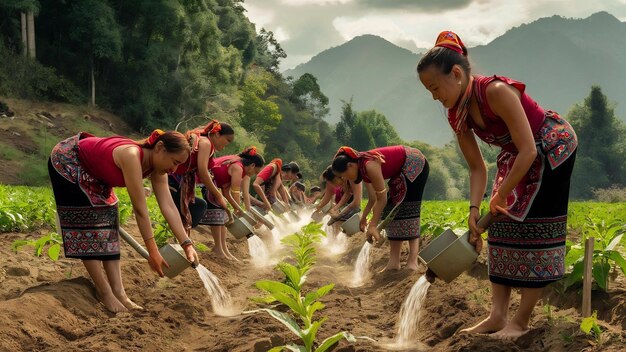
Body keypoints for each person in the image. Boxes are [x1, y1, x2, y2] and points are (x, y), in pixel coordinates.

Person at [417, 31, 578, 339]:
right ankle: (497, 315)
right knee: (501, 224)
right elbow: (477, 167)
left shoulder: (496, 92)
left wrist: (502, 193)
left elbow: (530, 149)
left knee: (534, 227)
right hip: (518, 154)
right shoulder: (457, 114)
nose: (435, 96)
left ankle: (520, 321)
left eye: (436, 87)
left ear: (457, 73)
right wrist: (475, 209)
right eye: (429, 91)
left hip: (551, 145)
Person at [48, 130, 200, 313]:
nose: (174, 170)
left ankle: (120, 294)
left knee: (110, 217)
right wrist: (152, 251)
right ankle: (105, 292)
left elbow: (168, 206)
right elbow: (140, 210)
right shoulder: (131, 155)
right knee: (86, 222)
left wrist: (187, 244)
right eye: (175, 162)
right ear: (160, 147)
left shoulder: (158, 169)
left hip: (96, 174)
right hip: (69, 162)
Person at [332, 145, 428, 271]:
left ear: (350, 165)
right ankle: (394, 262)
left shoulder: (369, 165)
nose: (344, 179)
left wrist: (372, 225)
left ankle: (412, 262)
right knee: (390, 210)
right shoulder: (362, 169)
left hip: (414, 164)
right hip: (400, 171)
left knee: (409, 209)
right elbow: (375, 198)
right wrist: (367, 219)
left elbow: (381, 198)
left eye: (343, 175)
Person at [169, 120, 234, 234]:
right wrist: (218, 195)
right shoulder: (206, 143)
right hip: (173, 180)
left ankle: (182, 237)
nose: (225, 146)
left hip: (177, 180)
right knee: (198, 207)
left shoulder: (205, 142)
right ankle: (180, 236)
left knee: (193, 209)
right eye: (226, 141)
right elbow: (203, 171)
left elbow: (199, 169)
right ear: (217, 134)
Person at [206, 147, 265, 260]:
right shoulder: (238, 168)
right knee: (220, 213)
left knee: (223, 214)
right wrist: (238, 211)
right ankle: (219, 248)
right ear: (252, 165)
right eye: (255, 172)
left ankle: (223, 249)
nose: (252, 175)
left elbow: (226, 192)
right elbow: (235, 193)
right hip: (204, 183)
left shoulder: (237, 163)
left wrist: (238, 209)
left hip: (212, 186)